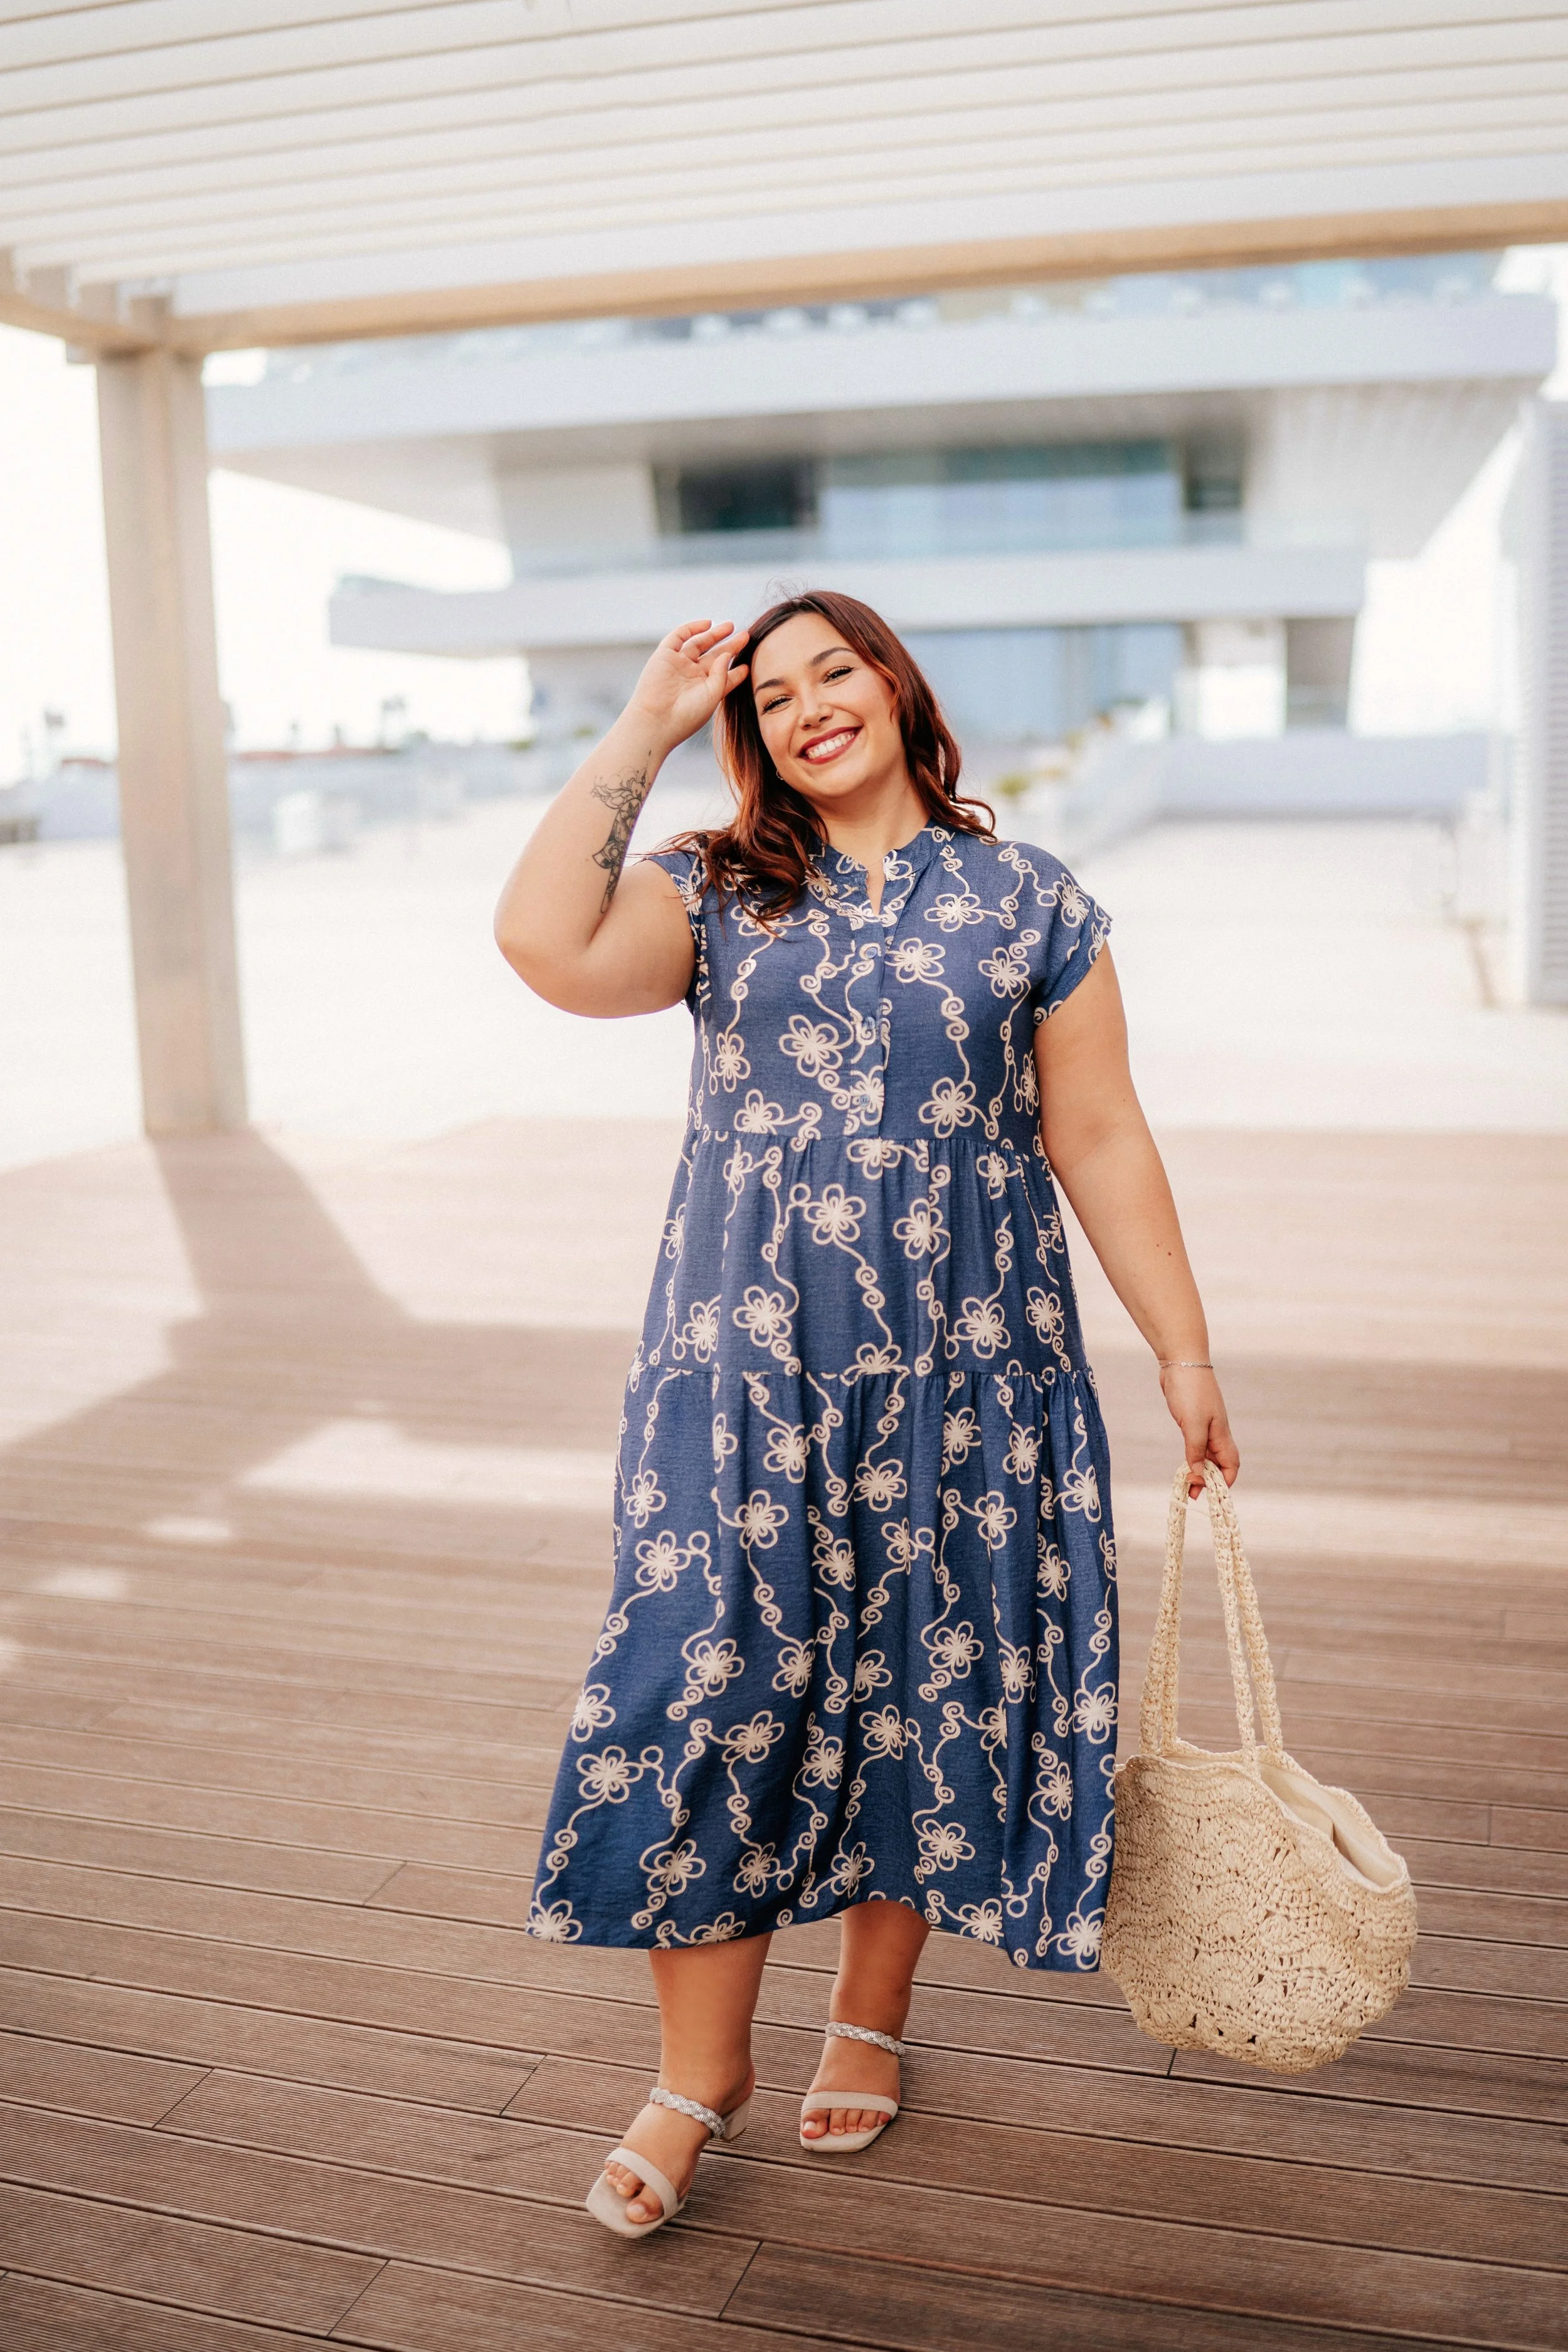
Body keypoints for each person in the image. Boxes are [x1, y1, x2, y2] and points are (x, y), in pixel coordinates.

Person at [494, 590, 1238, 2238]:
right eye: (767, 694)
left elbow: (1098, 1132)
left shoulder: (1029, 901)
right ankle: (699, 2075)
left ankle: (867, 2016)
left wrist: (1180, 1346)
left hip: (971, 1370)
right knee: (708, 1671)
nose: (807, 703)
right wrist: (643, 729)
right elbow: (546, 944)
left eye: (835, 669)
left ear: (896, 687)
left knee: (921, 1671)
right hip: (740, 1376)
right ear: (746, 735)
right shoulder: (712, 890)